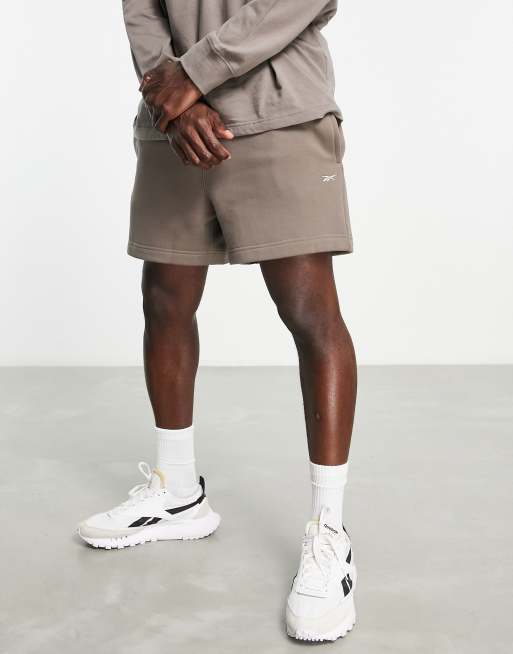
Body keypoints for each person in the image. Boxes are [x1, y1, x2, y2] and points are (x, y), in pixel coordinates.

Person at [78, 0, 357, 642]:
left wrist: (194, 73)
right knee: (164, 299)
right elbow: (141, 7)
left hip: (277, 115)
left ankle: (330, 534)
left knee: (310, 314)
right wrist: (171, 100)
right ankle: (177, 490)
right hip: (175, 123)